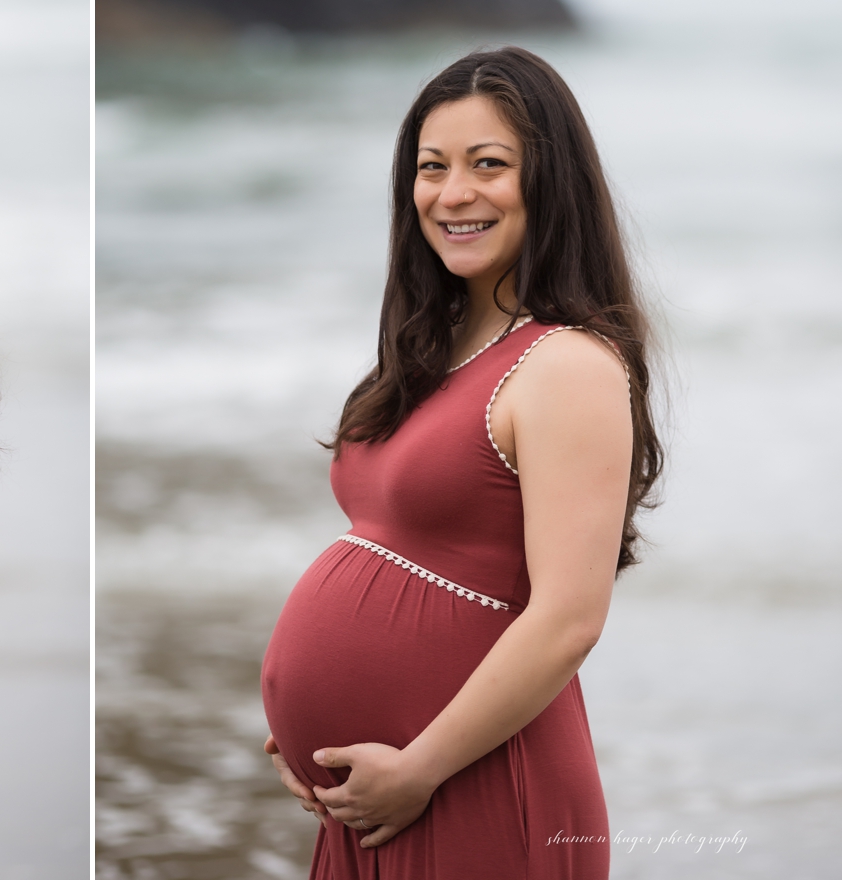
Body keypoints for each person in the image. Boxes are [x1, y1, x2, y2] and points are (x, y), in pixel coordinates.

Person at [260, 47, 661, 879]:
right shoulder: (430, 349)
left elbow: (568, 619)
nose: (453, 194)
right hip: (377, 800)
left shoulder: (568, 364)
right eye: (431, 167)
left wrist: (418, 766)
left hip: (474, 782)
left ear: (551, 181)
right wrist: (304, 723)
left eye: (490, 165)